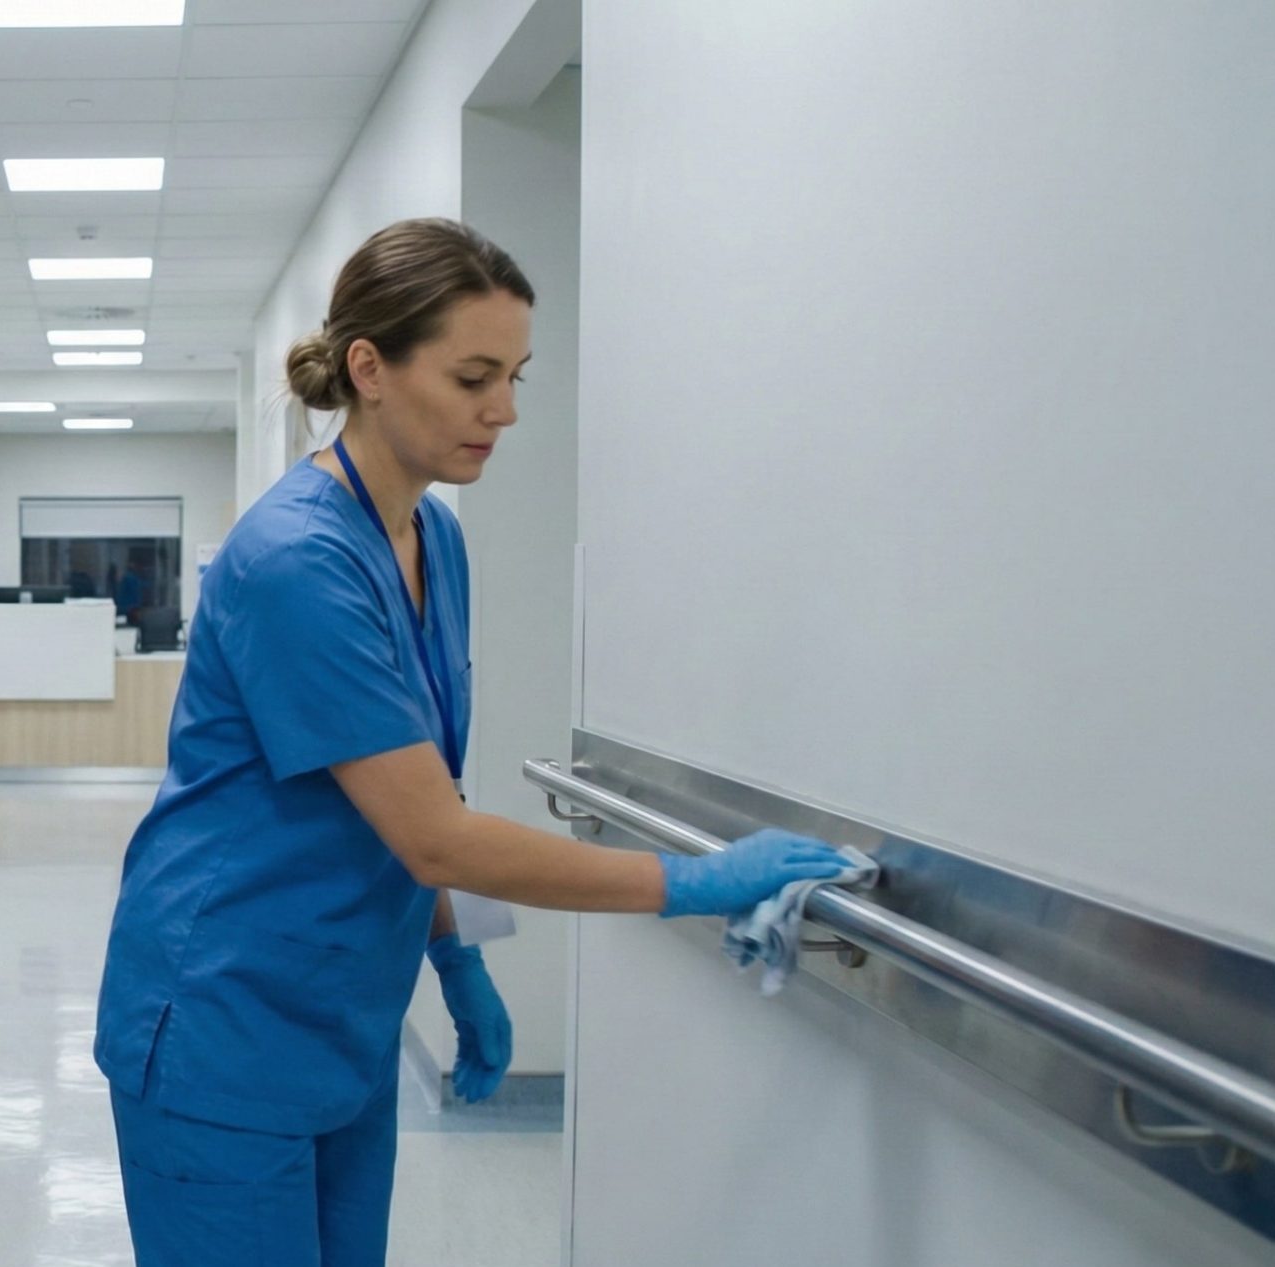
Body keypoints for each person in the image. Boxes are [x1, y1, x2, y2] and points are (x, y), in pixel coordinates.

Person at [92, 219, 856, 1267]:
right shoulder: (295, 560)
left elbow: (424, 786)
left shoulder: (434, 537)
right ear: (370, 369)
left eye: (514, 377)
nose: (504, 410)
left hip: (342, 1015)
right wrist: (694, 881)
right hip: (222, 1017)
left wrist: (458, 958)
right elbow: (436, 837)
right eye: (472, 377)